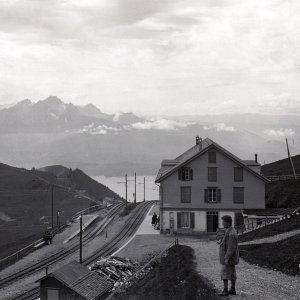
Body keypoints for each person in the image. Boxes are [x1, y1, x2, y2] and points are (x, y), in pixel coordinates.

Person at [218, 215, 239, 297]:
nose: (222, 223)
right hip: (231, 257)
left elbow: (231, 247)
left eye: (223, 222)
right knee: (232, 273)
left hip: (228, 258)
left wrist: (226, 258)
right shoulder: (230, 231)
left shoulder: (231, 233)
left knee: (224, 273)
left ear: (227, 222)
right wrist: (221, 241)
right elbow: (228, 243)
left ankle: (225, 290)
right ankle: (233, 289)